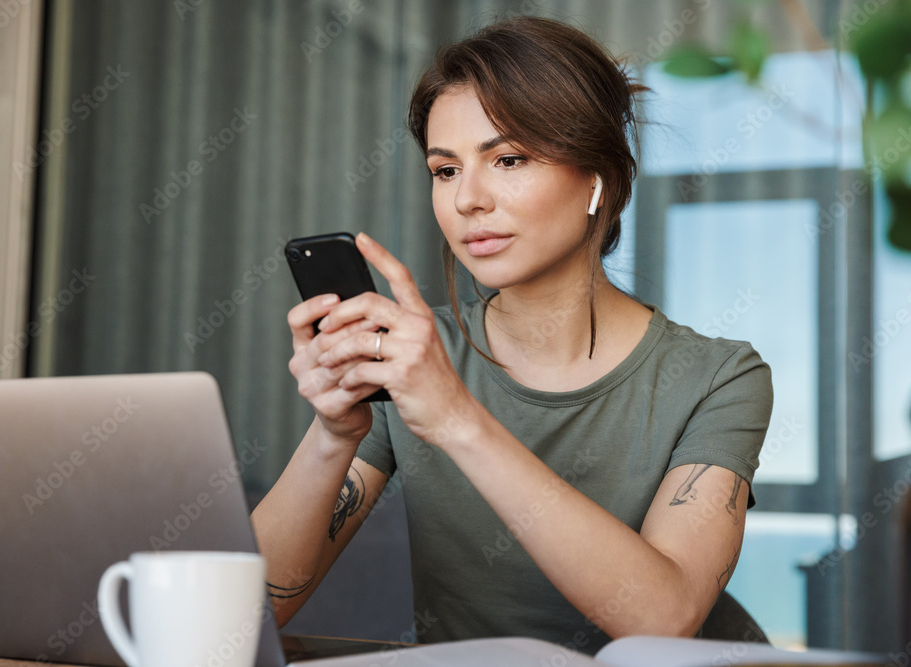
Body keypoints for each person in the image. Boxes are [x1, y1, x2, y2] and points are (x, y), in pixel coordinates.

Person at [251, 15, 773, 656]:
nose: (468, 199)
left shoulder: (719, 377)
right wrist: (334, 435)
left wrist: (455, 420)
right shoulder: (411, 357)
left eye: (508, 159)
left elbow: (665, 619)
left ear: (597, 180)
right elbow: (240, 618)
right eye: (445, 170)